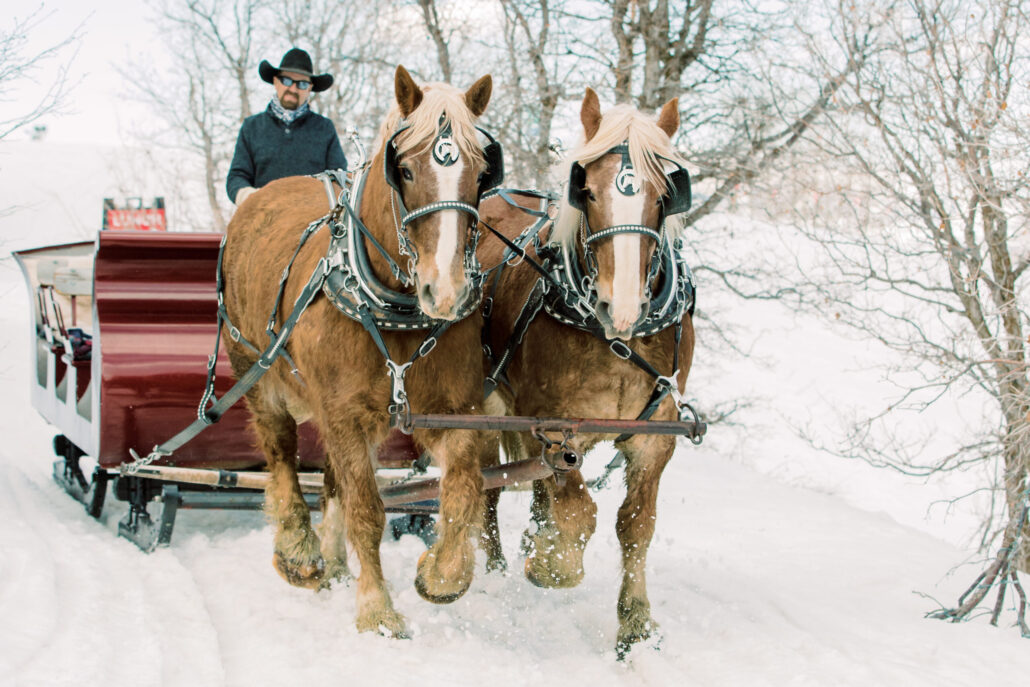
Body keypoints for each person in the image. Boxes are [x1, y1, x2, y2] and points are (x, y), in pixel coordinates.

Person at [226, 48, 347, 205]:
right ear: (276, 82)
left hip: (313, 220)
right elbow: (237, 176)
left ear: (310, 88)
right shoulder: (252, 127)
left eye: (302, 84)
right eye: (287, 81)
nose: (293, 89)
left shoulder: (324, 128)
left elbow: (339, 178)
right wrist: (251, 198)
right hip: (263, 218)